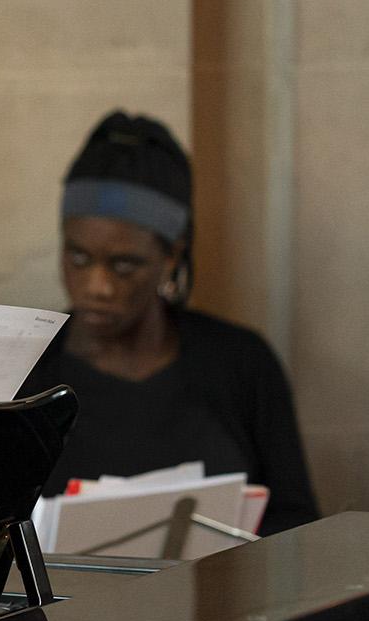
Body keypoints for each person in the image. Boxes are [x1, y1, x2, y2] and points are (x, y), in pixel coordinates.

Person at [20, 111, 319, 534]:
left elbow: (298, 526)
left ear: (171, 257)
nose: (97, 286)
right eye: (78, 258)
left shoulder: (240, 364)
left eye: (124, 265)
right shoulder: (27, 374)